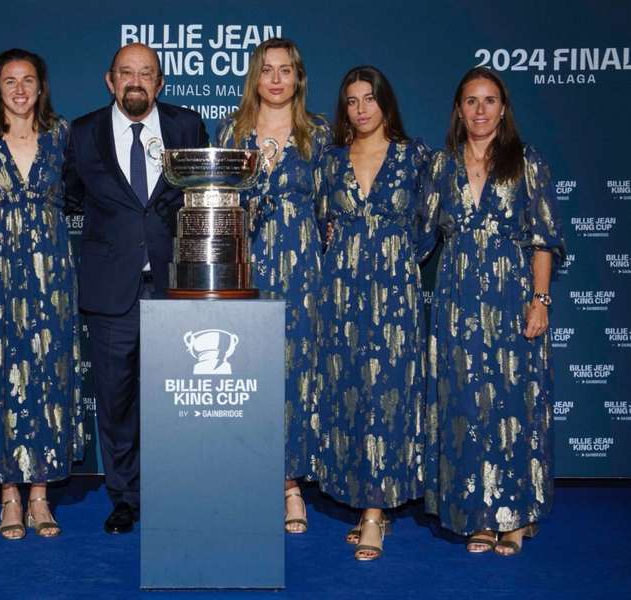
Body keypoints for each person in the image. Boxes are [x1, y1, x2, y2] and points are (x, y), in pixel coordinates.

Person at [64, 42, 208, 534]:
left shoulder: (186, 126)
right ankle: (124, 497)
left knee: (175, 397)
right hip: (111, 292)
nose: (135, 81)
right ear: (110, 80)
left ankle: (173, 492)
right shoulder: (82, 133)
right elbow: (69, 195)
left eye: (146, 73)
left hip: (174, 285)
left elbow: (202, 195)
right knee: (117, 398)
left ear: (160, 82)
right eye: (126, 72)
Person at [422, 67, 565, 556]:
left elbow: (544, 238)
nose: (480, 110)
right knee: (466, 406)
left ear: (503, 109)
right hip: (457, 301)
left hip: (510, 299)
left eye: (489, 100)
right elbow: (420, 237)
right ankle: (479, 514)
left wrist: (539, 301)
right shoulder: (441, 167)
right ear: (459, 110)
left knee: (513, 405)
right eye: (470, 101)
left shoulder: (528, 163)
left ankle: (516, 517)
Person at [0, 49, 82, 539]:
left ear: (40, 87)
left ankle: (40, 495)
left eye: (28, 80)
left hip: (50, 277)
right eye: (9, 81)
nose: (19, 89)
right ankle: (9, 496)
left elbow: (79, 193)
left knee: (47, 379)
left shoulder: (62, 136)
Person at [315, 66, 430, 560]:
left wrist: (392, 257)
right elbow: (323, 221)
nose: (361, 109)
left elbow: (428, 228)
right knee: (349, 393)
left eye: (369, 99)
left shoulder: (414, 158)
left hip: (395, 294)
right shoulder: (330, 160)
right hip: (340, 295)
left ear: (386, 103)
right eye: (352, 101)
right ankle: (364, 500)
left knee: (389, 395)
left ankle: (375, 515)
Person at [216, 38, 328, 535]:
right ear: (254, 79)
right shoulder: (232, 133)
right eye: (267, 71)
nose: (277, 80)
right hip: (247, 269)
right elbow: (217, 209)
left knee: (296, 375)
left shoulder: (319, 135)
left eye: (286, 70)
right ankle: (244, 479)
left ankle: (290, 487)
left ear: (298, 78)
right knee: (247, 373)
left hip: (304, 272)